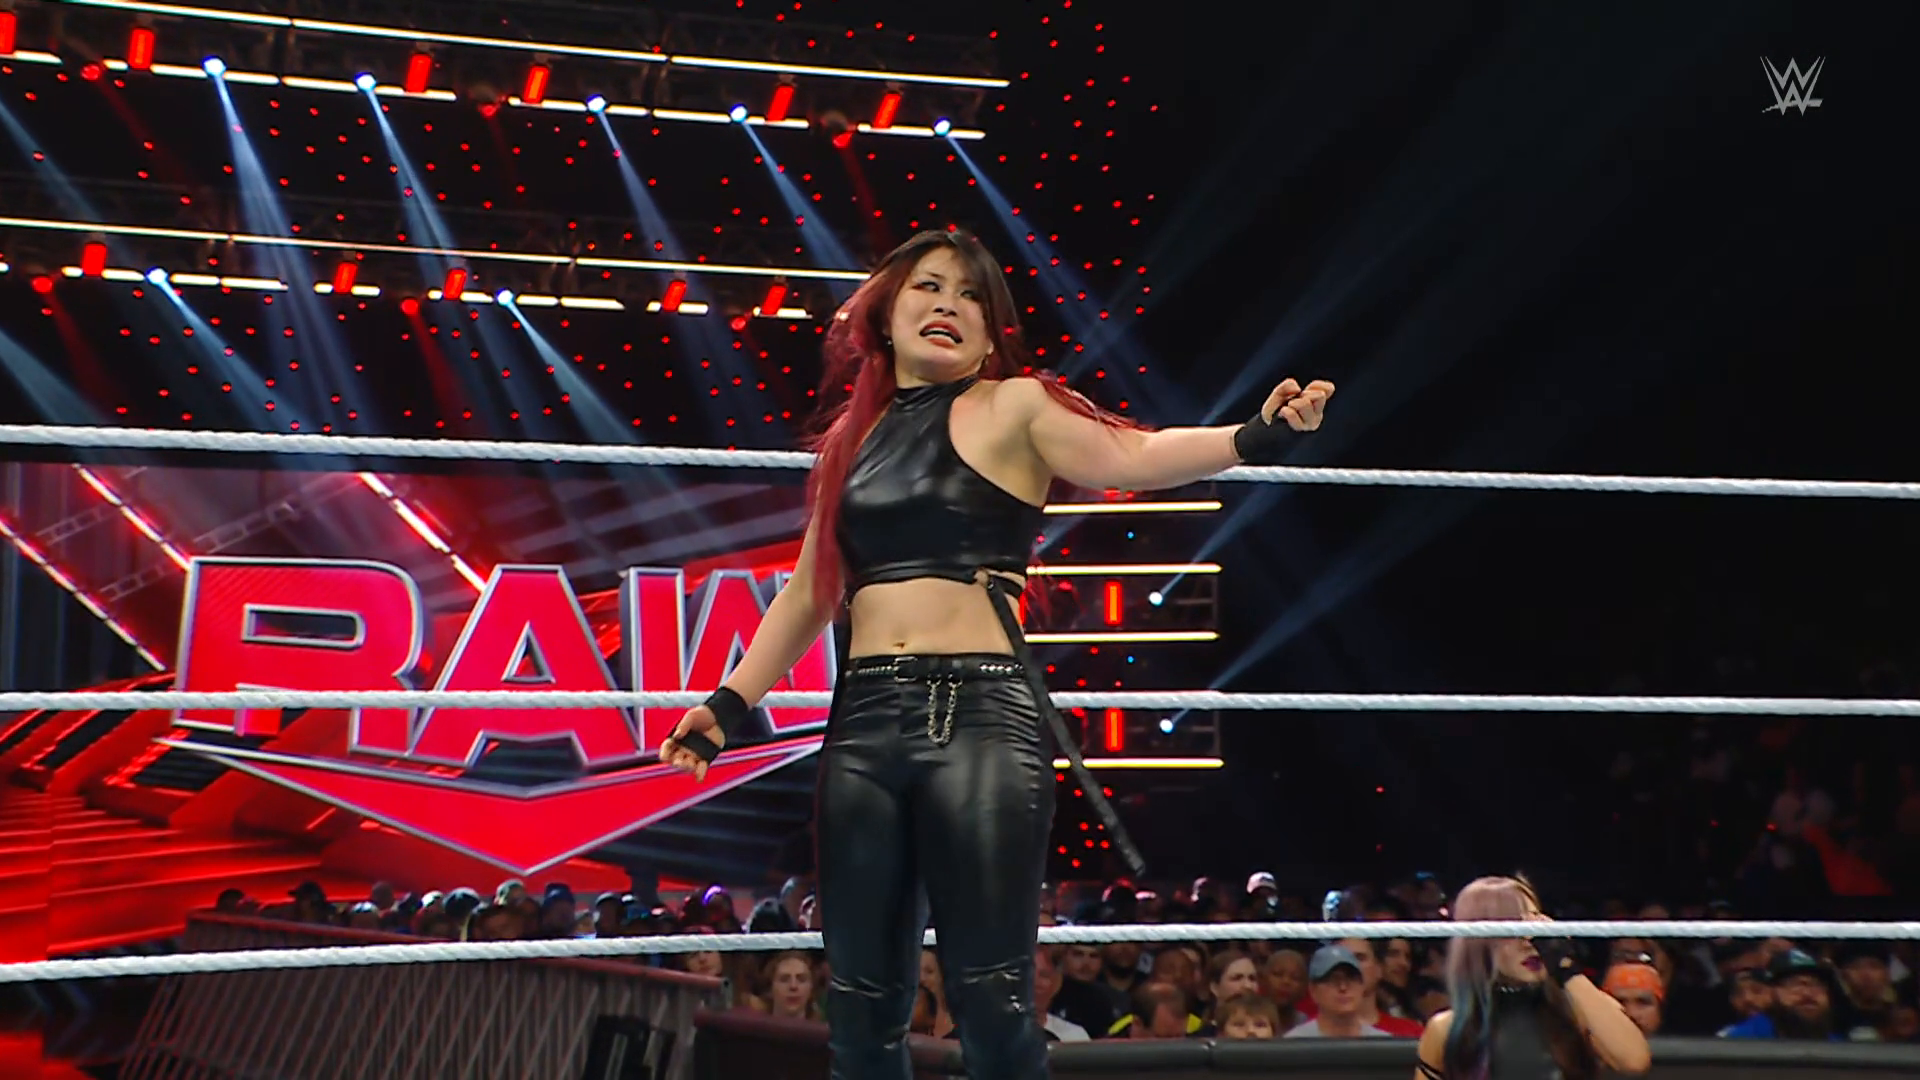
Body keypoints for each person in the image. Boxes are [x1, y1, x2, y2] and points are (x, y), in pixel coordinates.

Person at [659, 227, 1335, 1080]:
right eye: (929, 286)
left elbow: (1133, 452)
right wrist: (726, 706)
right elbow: (807, 594)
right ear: (885, 314)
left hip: (975, 714)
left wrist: (1252, 437)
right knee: (861, 1004)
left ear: (989, 334)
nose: (948, 303)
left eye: (971, 294)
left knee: (990, 997)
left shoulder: (1014, 405)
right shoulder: (848, 444)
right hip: (862, 724)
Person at [1415, 876, 1651, 1079]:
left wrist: (1566, 969)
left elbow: (1634, 1061)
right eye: (1513, 929)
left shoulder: (1578, 1012)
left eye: (1535, 927)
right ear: (1479, 942)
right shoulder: (1447, 1030)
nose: (1529, 941)